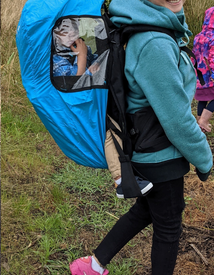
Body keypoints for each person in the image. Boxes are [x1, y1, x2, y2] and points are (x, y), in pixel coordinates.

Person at [69, 0, 213, 275]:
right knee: (169, 224)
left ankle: (92, 266)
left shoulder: (152, 28)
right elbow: (175, 117)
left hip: (145, 145)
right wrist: (204, 158)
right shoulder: (154, 43)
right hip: (159, 150)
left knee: (147, 212)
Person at [52, 26, 153, 199]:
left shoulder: (83, 48)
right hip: (77, 107)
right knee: (108, 132)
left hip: (95, 98)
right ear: (54, 37)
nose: (72, 34)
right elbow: (75, 83)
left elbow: (94, 67)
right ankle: (121, 180)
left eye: (74, 28)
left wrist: (92, 61)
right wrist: (82, 56)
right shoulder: (56, 59)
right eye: (64, 31)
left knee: (116, 126)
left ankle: (129, 170)